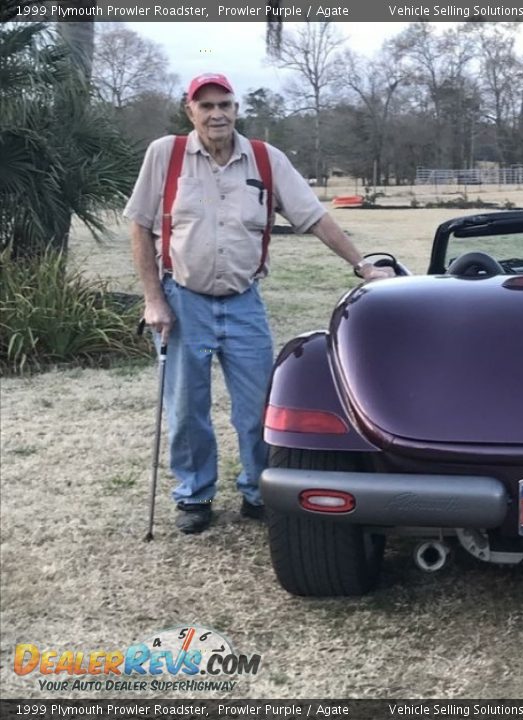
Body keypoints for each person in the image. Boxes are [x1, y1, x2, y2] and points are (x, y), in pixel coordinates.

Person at [124, 72, 393, 535]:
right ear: (190, 110)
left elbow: (314, 217)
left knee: (259, 407)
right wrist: (153, 299)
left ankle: (256, 491)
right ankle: (196, 496)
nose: (216, 114)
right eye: (205, 106)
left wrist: (361, 264)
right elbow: (139, 227)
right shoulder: (165, 156)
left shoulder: (266, 160)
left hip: (243, 302)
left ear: (236, 108)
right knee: (188, 410)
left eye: (224, 104)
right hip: (182, 301)